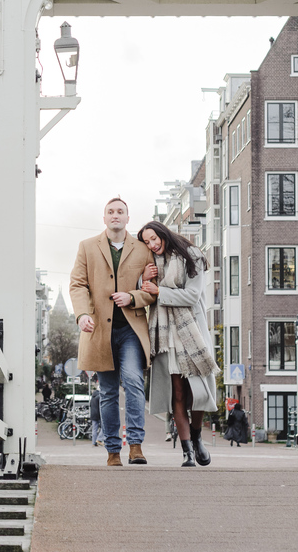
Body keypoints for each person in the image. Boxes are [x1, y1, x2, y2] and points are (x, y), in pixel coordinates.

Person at [70, 197, 155, 466]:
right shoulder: (86, 247)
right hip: (99, 333)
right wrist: (83, 314)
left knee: (133, 382)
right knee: (107, 392)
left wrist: (133, 297)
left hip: (130, 329)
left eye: (121, 212)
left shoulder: (142, 250)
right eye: (111, 212)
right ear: (104, 218)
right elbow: (77, 284)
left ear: (128, 219)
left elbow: (152, 290)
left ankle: (136, 447)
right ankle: (112, 451)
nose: (115, 215)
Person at [137, 220, 219, 467]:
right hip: (165, 338)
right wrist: (143, 279)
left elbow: (193, 296)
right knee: (179, 394)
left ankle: (196, 436)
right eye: (147, 242)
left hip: (191, 333)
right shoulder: (151, 263)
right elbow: (142, 294)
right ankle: (187, 453)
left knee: (198, 391)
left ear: (163, 233)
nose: (152, 244)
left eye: (154, 238)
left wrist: (159, 291)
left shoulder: (191, 255)